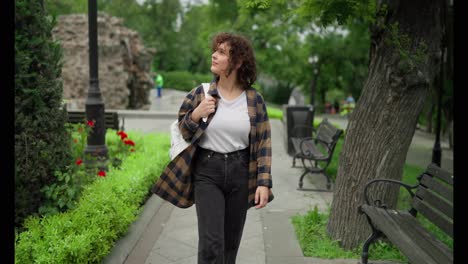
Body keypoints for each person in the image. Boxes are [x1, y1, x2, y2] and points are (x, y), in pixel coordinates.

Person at [151, 32, 274, 264]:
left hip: (240, 172)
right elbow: (183, 131)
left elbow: (264, 143)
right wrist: (197, 114)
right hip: (207, 172)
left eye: (221, 52)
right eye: (215, 50)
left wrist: (263, 183)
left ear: (237, 62)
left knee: (230, 244)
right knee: (211, 244)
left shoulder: (254, 100)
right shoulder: (202, 93)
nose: (214, 55)